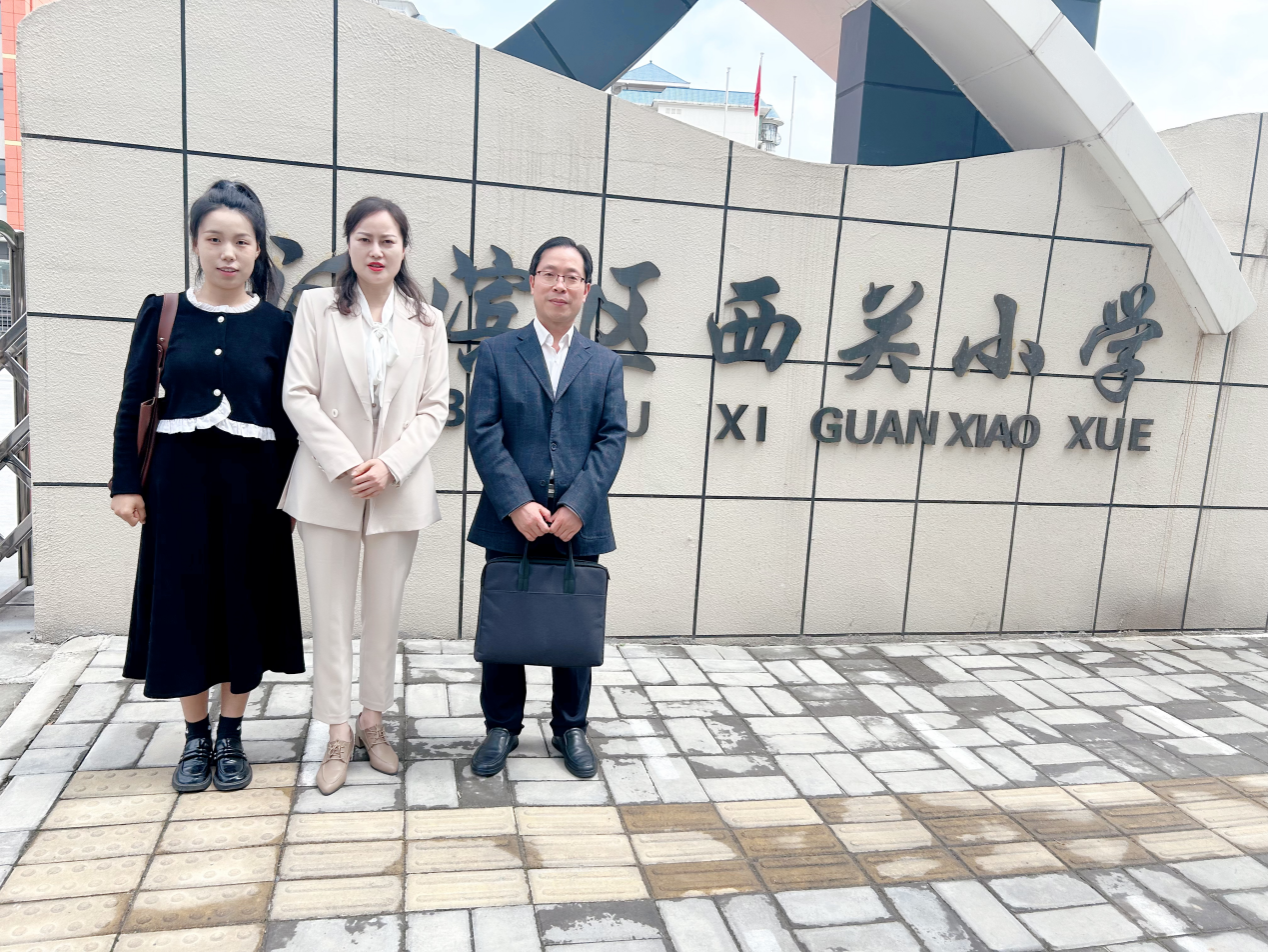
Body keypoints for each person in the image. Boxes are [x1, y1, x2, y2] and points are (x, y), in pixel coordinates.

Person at [110, 180, 304, 794]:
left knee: (243, 603)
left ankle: (232, 735)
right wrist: (125, 483)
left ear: (258, 249)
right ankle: (196, 735)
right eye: (215, 239)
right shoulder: (164, 311)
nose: (228, 252)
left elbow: (292, 419)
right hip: (178, 485)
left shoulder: (278, 325)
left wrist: (294, 497)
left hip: (255, 490)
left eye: (241, 241)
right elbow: (134, 400)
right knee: (184, 603)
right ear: (196, 243)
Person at [281, 197, 449, 795]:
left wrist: (391, 466)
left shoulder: (428, 320)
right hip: (329, 484)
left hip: (397, 490)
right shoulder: (317, 306)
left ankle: (373, 722)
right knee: (329, 614)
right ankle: (336, 730)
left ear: (404, 248)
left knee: (384, 612)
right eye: (364, 239)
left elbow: (434, 407)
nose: (376, 251)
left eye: (388, 241)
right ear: (348, 244)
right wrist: (350, 463)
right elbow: (297, 393)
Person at [466, 236, 627, 779]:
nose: (561, 285)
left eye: (572, 277)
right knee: (506, 621)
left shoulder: (604, 362)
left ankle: (570, 727)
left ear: (586, 289)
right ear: (532, 281)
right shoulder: (497, 352)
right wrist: (516, 503)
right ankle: (501, 727)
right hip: (511, 517)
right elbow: (483, 431)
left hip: (579, 519)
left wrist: (579, 504)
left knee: (574, 623)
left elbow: (612, 438)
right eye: (550, 274)